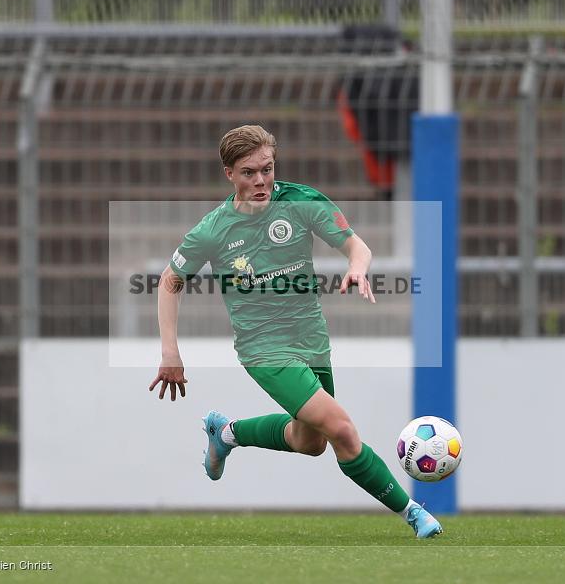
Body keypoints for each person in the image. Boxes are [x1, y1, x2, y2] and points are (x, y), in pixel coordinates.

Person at [148, 124, 442, 538]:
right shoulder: (213, 230)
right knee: (341, 429)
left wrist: (357, 266)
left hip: (312, 341)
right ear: (228, 174)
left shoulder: (300, 201)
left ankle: (227, 433)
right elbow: (169, 281)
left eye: (267, 169)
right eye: (249, 172)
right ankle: (414, 513)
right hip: (264, 350)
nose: (261, 180)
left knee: (310, 442)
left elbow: (357, 245)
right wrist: (170, 352)